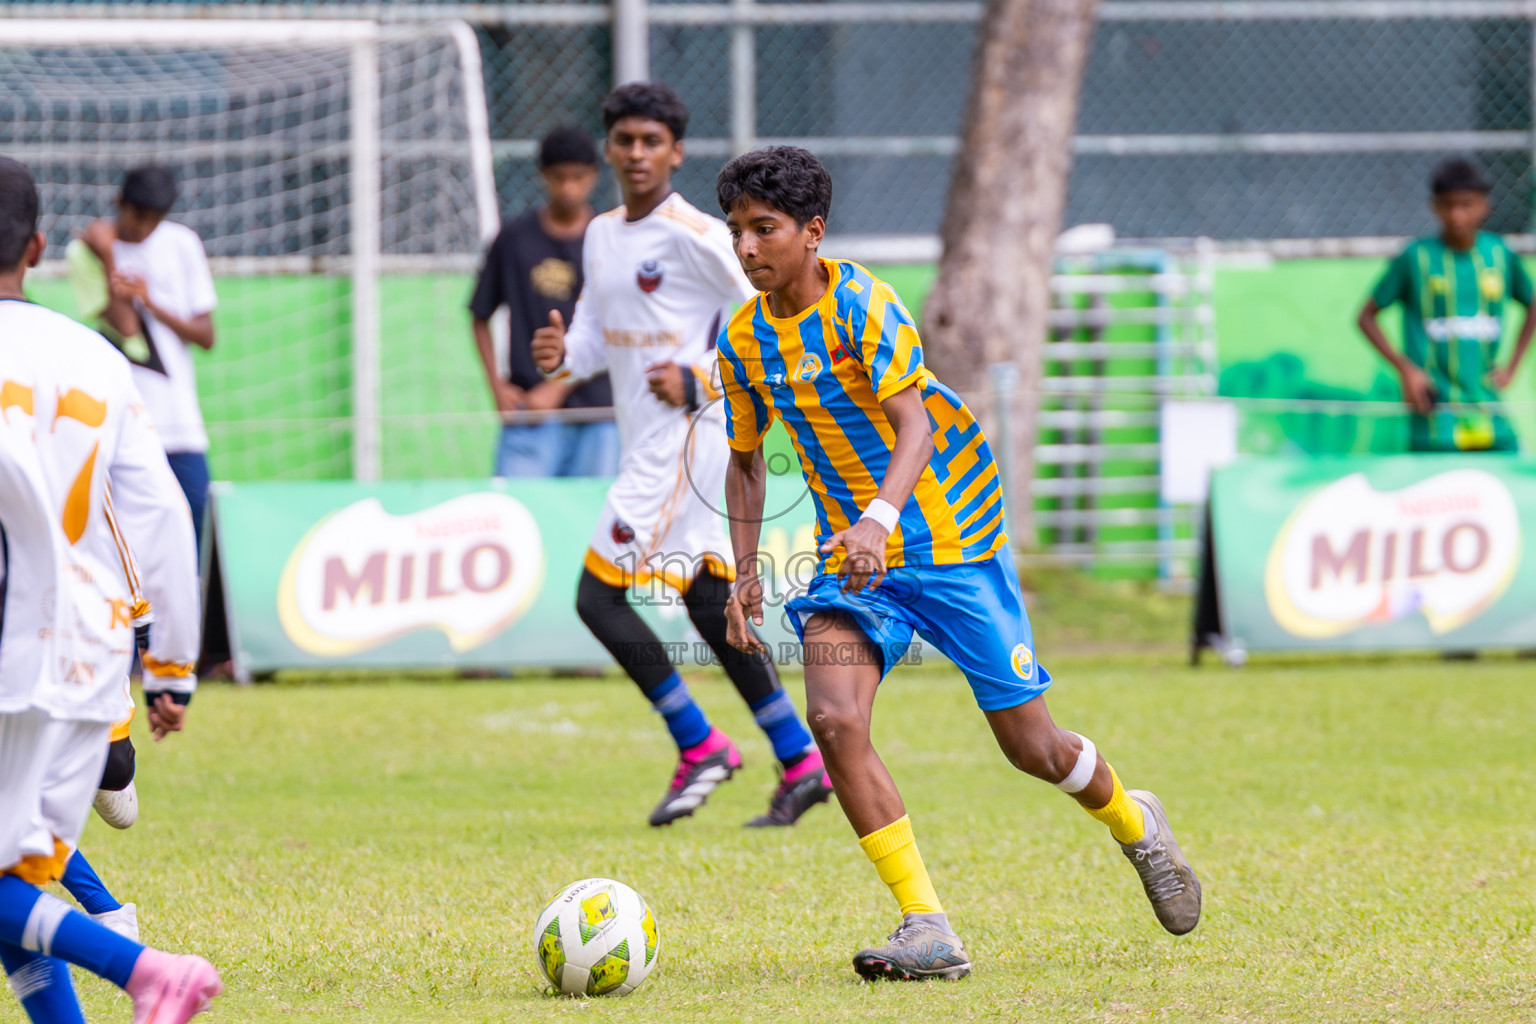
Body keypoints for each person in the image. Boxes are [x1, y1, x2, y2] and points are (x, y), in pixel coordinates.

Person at [715, 147, 1202, 981]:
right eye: (738, 231)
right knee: (834, 721)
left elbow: (917, 429)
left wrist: (877, 517)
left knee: (1034, 748)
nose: (748, 248)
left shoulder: (865, 307)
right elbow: (746, 459)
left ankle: (1134, 822)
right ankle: (926, 924)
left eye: (765, 230)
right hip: (857, 566)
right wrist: (743, 571)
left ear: (813, 232)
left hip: (951, 544)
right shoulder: (743, 337)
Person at [531, 84, 831, 828]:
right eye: (625, 140)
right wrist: (560, 357)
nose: (637, 154)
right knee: (707, 602)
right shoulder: (601, 236)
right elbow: (598, 337)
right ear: (610, 148)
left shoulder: (699, 233)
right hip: (648, 438)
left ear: (675, 152)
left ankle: (699, 744)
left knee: (595, 596)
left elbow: (766, 303)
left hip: (687, 440)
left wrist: (700, 373)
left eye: (651, 142)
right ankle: (801, 757)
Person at [0, 155, 221, 1023]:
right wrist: (170, 670)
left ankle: (140, 964)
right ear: (42, 246)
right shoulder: (92, 356)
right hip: (87, 659)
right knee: (18, 887)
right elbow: (164, 515)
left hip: (7, 651)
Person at [76, 163, 217, 551]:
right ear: (119, 203)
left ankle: (198, 613)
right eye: (139, 216)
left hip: (178, 423)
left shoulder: (183, 243)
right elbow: (128, 333)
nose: (145, 228)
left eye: (155, 220)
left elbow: (206, 336)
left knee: (198, 524)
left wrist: (149, 299)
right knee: (126, 542)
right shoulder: (87, 251)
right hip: (120, 424)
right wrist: (107, 258)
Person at [1357, 157, 1534, 452]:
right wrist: (1406, 369)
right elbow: (1365, 317)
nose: (1457, 216)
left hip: (1488, 411)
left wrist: (1512, 366)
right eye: (1448, 205)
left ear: (1484, 206)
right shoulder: (1416, 257)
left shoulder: (1500, 255)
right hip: (1434, 419)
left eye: (1466, 205)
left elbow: (1533, 304)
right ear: (1435, 207)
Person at [471, 127, 619, 478]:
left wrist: (557, 384)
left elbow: (622, 328)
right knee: (521, 513)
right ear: (543, 176)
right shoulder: (513, 240)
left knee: (593, 521)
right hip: (529, 411)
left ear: (594, 176)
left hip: (598, 413)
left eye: (578, 177)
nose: (569, 187)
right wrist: (496, 385)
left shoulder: (612, 239)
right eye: (559, 177)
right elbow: (479, 316)